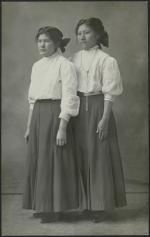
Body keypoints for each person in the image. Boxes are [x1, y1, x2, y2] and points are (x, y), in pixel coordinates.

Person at [71, 17, 127, 222]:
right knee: (82, 155)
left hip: (98, 108)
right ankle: (87, 203)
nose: (82, 36)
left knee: (99, 156)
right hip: (78, 109)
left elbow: (109, 93)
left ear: (97, 35)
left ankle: (101, 206)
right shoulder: (73, 59)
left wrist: (104, 119)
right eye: (79, 33)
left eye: (86, 32)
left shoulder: (107, 60)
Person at [22, 26, 80, 223]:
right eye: (39, 41)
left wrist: (62, 127)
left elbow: (70, 97)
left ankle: (56, 208)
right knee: (40, 160)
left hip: (56, 114)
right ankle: (43, 205)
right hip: (38, 114)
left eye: (46, 41)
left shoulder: (65, 65)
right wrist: (30, 126)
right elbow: (32, 100)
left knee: (54, 161)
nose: (42, 45)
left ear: (57, 43)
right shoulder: (37, 66)